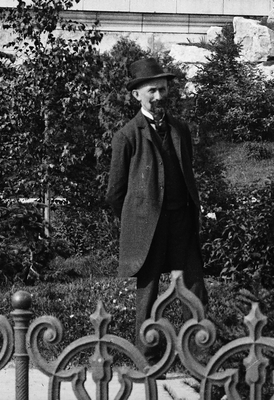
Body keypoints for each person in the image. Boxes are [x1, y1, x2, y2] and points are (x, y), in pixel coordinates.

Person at [106, 55, 206, 341]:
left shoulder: (180, 129)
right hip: (147, 224)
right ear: (137, 95)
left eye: (163, 89)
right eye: (152, 90)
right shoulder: (126, 136)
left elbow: (186, 171)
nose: (159, 96)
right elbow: (115, 192)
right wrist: (137, 217)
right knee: (147, 291)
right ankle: (147, 357)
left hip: (181, 220)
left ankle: (199, 355)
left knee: (193, 286)